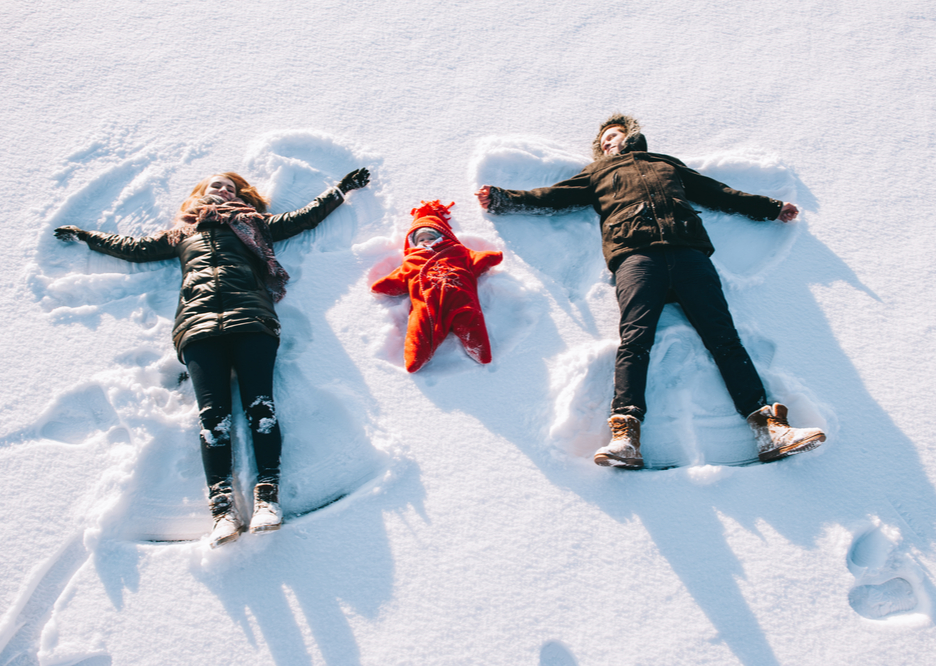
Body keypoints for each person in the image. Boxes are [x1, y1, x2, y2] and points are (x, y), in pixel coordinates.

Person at [476, 114, 825, 469]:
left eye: (616, 135)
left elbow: (717, 193)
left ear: (632, 136)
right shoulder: (597, 174)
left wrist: (769, 207)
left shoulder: (666, 164)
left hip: (688, 254)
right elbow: (552, 197)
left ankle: (769, 429)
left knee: (723, 338)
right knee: (635, 340)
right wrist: (504, 199)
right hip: (635, 258)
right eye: (605, 141)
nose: (611, 142)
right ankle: (625, 436)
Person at [55, 168, 370, 546]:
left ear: (244, 196)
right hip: (197, 327)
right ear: (200, 195)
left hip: (252, 319)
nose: (222, 190)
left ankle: (267, 499)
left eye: (230, 187)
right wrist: (87, 237)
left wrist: (340, 190)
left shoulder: (254, 224)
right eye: (215, 186)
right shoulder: (182, 233)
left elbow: (302, 219)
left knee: (261, 407)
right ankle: (222, 511)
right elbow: (133, 250)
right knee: (212, 416)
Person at [371, 200, 503, 372]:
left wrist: (491, 257)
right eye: (421, 240)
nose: (426, 241)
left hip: (461, 299)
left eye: (430, 237)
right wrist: (383, 286)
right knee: (421, 326)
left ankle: (479, 350)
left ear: (442, 236)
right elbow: (397, 278)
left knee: (470, 320)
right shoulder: (412, 262)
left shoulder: (459, 252)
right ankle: (417, 356)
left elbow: (479, 258)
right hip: (427, 306)